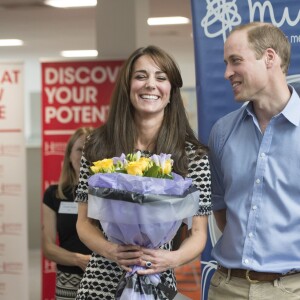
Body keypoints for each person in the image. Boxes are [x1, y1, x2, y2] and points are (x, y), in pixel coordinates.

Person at [74, 45, 212, 299]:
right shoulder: (98, 145)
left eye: (161, 78)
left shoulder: (191, 155)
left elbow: (199, 233)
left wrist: (170, 259)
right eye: (141, 76)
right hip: (100, 283)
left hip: (157, 281)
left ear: (171, 91)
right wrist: (110, 250)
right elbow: (84, 222)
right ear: (128, 87)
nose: (151, 84)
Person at [208, 22, 300, 299]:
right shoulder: (222, 131)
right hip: (226, 287)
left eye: (236, 61)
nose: (227, 73)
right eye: (225, 63)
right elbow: (221, 209)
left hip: (290, 290)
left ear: (269, 57)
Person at [42, 127, 93, 300]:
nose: (84, 155)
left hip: (104, 281)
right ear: (69, 156)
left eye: (89, 149)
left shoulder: (109, 194)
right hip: (67, 283)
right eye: (79, 149)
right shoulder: (53, 194)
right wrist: (78, 259)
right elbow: (48, 247)